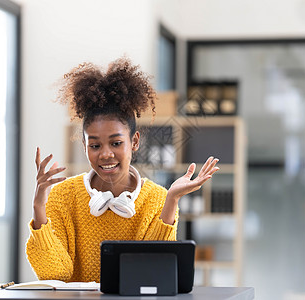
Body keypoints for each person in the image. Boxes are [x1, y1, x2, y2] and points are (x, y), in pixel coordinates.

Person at [26, 57, 219, 283]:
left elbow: (152, 275)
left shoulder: (158, 199)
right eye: (95, 146)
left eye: (116, 143)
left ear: (134, 141)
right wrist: (39, 208)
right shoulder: (62, 196)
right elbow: (56, 274)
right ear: (84, 146)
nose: (106, 154)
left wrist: (172, 199)